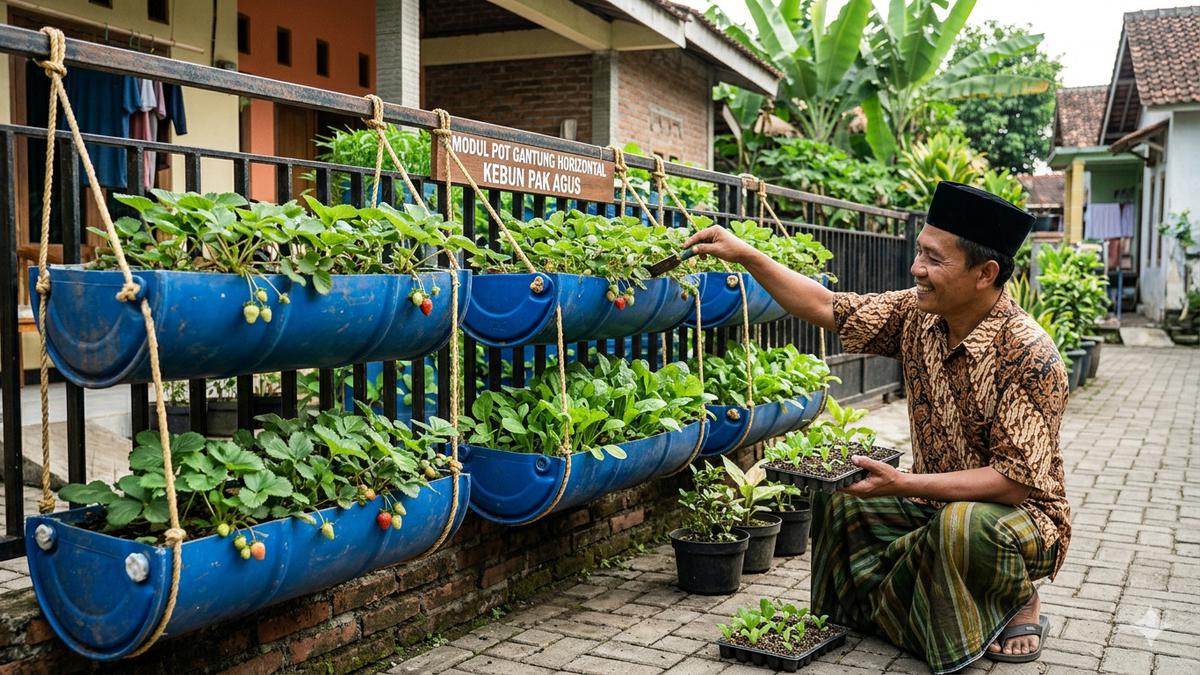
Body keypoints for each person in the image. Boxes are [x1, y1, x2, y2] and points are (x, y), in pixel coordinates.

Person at [683, 181, 1070, 673]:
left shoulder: (1029, 355)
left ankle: (1018, 599)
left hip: (1020, 521)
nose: (916, 269)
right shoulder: (915, 314)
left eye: (933, 258)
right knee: (841, 493)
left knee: (962, 525)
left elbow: (1014, 484)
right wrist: (746, 255)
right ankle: (884, 610)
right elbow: (828, 308)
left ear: (985, 273)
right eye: (918, 253)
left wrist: (904, 483)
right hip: (931, 503)